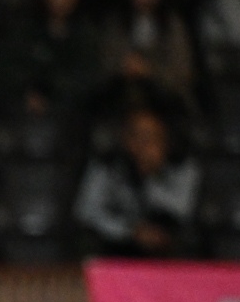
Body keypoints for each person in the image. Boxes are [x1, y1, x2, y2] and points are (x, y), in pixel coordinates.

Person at [73, 108, 199, 257]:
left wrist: (150, 176)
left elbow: (183, 211)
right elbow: (86, 212)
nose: (142, 145)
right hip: (116, 248)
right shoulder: (106, 165)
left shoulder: (184, 167)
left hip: (170, 250)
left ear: (167, 139)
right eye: (135, 135)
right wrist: (130, 231)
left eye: (150, 137)